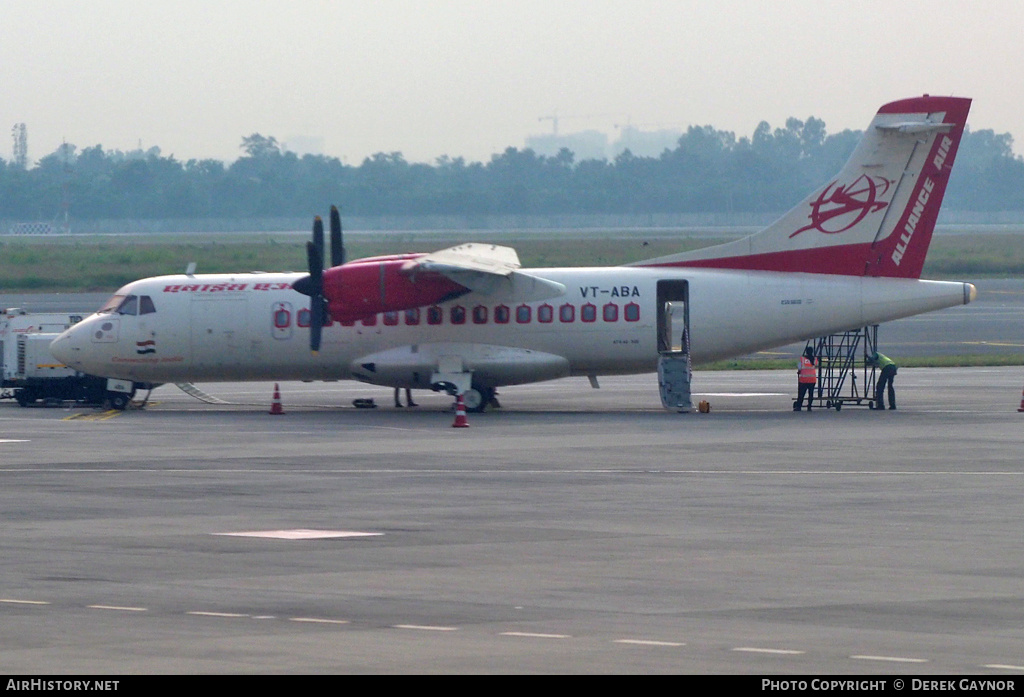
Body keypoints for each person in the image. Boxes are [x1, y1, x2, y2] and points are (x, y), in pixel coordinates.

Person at [794, 345, 817, 412]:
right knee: (811, 394)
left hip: (803, 379)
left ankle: (799, 406)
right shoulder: (815, 359)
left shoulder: (802, 359)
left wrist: (799, 372)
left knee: (801, 394)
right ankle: (809, 406)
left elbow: (799, 367)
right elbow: (816, 365)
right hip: (812, 379)